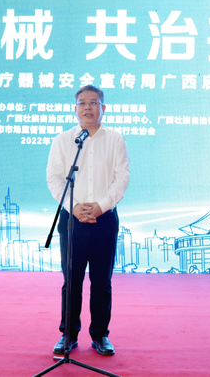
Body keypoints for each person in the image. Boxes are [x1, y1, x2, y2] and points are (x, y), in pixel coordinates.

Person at [46, 85, 130, 356]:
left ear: (103, 108)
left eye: (94, 103)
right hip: (73, 220)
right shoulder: (63, 140)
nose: (88, 108)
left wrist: (101, 207)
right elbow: (55, 178)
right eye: (82, 103)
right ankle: (68, 335)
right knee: (71, 281)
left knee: (101, 281)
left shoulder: (115, 139)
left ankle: (100, 335)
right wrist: (75, 207)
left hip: (104, 220)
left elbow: (122, 178)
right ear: (75, 109)